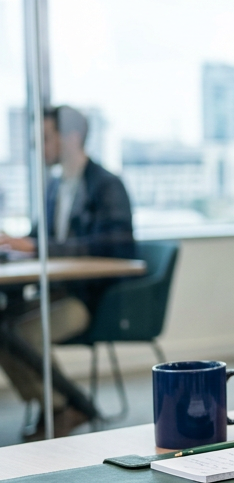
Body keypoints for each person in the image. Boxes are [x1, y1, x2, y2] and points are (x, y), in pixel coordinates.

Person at [0, 106, 135, 436]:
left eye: (46, 138)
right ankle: (59, 406)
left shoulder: (106, 186)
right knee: (2, 329)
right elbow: (37, 239)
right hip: (57, 292)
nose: (39, 146)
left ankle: (67, 407)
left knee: (21, 334)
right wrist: (16, 244)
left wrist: (37, 246)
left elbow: (112, 248)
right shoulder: (55, 186)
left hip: (89, 300)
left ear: (71, 138)